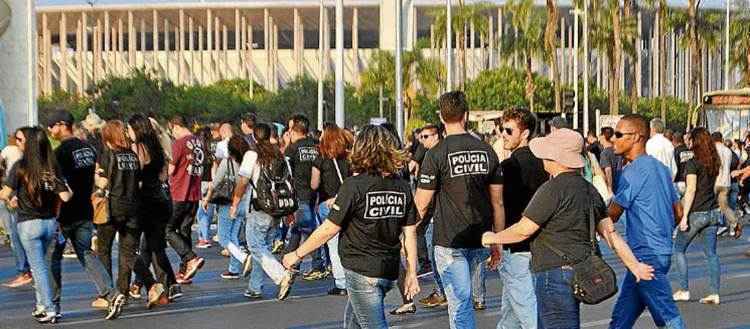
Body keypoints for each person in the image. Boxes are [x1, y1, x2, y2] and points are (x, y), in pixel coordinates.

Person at [481, 127, 654, 329]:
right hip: (581, 270)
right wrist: (635, 266)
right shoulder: (588, 189)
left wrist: (492, 237)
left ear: (556, 158)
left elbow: (523, 229)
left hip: (553, 274)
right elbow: (610, 233)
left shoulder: (551, 190)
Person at [282, 124, 420, 329]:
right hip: (387, 269)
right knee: (352, 323)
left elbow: (329, 228)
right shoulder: (401, 186)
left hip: (361, 270)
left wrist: (297, 254)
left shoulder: (354, 186)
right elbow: (409, 233)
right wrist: (411, 272)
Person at [414, 91, 504, 329]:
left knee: (460, 303)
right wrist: (498, 241)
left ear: (442, 119)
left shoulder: (436, 154)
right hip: (481, 237)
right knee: (464, 301)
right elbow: (498, 202)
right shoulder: (487, 151)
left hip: (449, 240)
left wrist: (407, 237)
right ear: (466, 115)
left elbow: (421, 204)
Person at [607, 114, 686, 329]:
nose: (613, 139)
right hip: (659, 251)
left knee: (668, 316)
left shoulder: (632, 172)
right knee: (621, 319)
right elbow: (678, 211)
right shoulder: (661, 169)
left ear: (637, 137)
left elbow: (613, 214)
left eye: (619, 134)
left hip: (645, 255)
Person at [45, 110, 118, 316]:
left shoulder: (60, 153)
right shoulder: (87, 148)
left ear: (61, 125)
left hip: (66, 213)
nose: (50, 130)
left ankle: (53, 303)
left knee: (54, 257)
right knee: (86, 253)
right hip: (85, 210)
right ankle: (111, 292)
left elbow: (58, 185)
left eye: (52, 126)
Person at [95, 120, 167, 318]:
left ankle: (108, 294)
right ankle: (137, 288)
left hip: (112, 208)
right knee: (128, 253)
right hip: (134, 207)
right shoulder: (133, 156)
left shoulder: (108, 155)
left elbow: (102, 181)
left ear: (108, 137)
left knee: (104, 250)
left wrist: (97, 185)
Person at [0, 127, 72, 323]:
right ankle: (42, 305)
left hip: (28, 223)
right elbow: (65, 195)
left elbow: (5, 194)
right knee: (44, 266)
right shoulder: (51, 167)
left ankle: (49, 308)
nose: (18, 143)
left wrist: (11, 199)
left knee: (38, 268)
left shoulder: (21, 167)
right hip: (49, 223)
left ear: (29, 143)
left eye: (21, 140)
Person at [227, 123, 296, 300]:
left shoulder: (252, 154)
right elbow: (288, 184)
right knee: (263, 248)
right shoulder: (279, 154)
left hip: (259, 207)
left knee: (255, 246)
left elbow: (243, 181)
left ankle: (281, 275)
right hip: (277, 209)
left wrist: (235, 203)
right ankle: (254, 287)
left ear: (255, 137)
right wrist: (289, 211)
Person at [495, 108, 548, 329]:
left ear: (525, 134)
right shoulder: (545, 163)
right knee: (511, 310)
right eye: (501, 129)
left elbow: (497, 205)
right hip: (537, 244)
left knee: (527, 311)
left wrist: (495, 241)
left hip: (514, 245)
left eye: (508, 130)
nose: (503, 134)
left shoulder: (508, 167)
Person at [127, 114, 182, 301]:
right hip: (161, 199)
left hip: (145, 202)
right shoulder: (157, 147)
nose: (128, 133)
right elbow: (163, 176)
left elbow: (136, 175)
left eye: (129, 129)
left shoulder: (138, 148)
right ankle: (166, 287)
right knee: (155, 247)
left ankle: (145, 284)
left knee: (131, 248)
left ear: (137, 129)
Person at [672, 127, 722, 305]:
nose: (688, 142)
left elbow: (691, 190)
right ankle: (714, 293)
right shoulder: (714, 162)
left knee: (678, 249)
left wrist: (684, 217)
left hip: (697, 212)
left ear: (695, 142)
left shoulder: (693, 163)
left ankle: (684, 289)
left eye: (690, 139)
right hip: (713, 212)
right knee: (711, 254)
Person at [311, 123, 353, 296]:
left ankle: (341, 283)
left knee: (333, 244)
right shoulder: (348, 157)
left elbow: (314, 184)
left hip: (328, 203)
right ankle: (353, 280)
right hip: (348, 202)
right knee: (350, 242)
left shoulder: (320, 158)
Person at [284, 114, 326, 279]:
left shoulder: (293, 149)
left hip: (299, 193)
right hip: (315, 193)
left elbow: (285, 170)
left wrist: (287, 145)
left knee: (307, 228)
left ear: (294, 130)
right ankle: (291, 261)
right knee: (299, 227)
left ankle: (317, 264)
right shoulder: (316, 146)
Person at [166, 116, 206, 284]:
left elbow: (171, 169)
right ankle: (185, 271)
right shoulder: (199, 142)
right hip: (194, 193)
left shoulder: (180, 143)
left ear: (175, 126)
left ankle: (190, 258)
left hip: (179, 192)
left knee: (167, 229)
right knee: (184, 230)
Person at [203, 135, 248, 280]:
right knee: (233, 236)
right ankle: (233, 269)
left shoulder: (227, 163)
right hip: (243, 203)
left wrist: (207, 199)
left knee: (223, 238)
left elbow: (215, 183)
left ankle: (243, 258)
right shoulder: (248, 163)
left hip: (228, 203)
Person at [0, 134, 30, 288]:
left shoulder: (8, 150)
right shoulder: (31, 157)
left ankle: (24, 271)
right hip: (27, 199)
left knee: (15, 234)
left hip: (12, 193)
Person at [713, 132, 741, 237]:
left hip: (715, 182)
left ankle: (714, 225)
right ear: (721, 139)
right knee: (724, 206)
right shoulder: (728, 151)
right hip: (726, 182)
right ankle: (735, 222)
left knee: (710, 205)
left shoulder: (713, 150)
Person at [195, 127, 216, 249]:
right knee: (208, 212)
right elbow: (214, 172)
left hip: (200, 183)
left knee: (201, 212)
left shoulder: (197, 153)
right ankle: (204, 236)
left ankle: (204, 238)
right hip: (209, 183)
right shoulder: (211, 154)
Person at [598, 127, 622, 192]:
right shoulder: (618, 151)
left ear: (603, 136)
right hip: (619, 184)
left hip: (612, 186)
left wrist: (609, 188)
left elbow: (608, 170)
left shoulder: (604, 153)